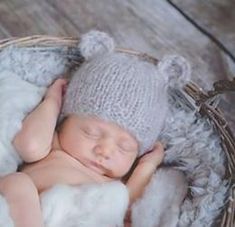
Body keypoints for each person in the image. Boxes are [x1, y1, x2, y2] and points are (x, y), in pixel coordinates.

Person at [0, 30, 189, 227]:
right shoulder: (52, 148)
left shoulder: (117, 185)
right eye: (92, 133)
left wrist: (147, 166)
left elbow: (135, 207)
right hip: (30, 216)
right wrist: (52, 101)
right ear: (65, 121)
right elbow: (29, 146)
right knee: (16, 183)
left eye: (124, 147)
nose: (105, 151)